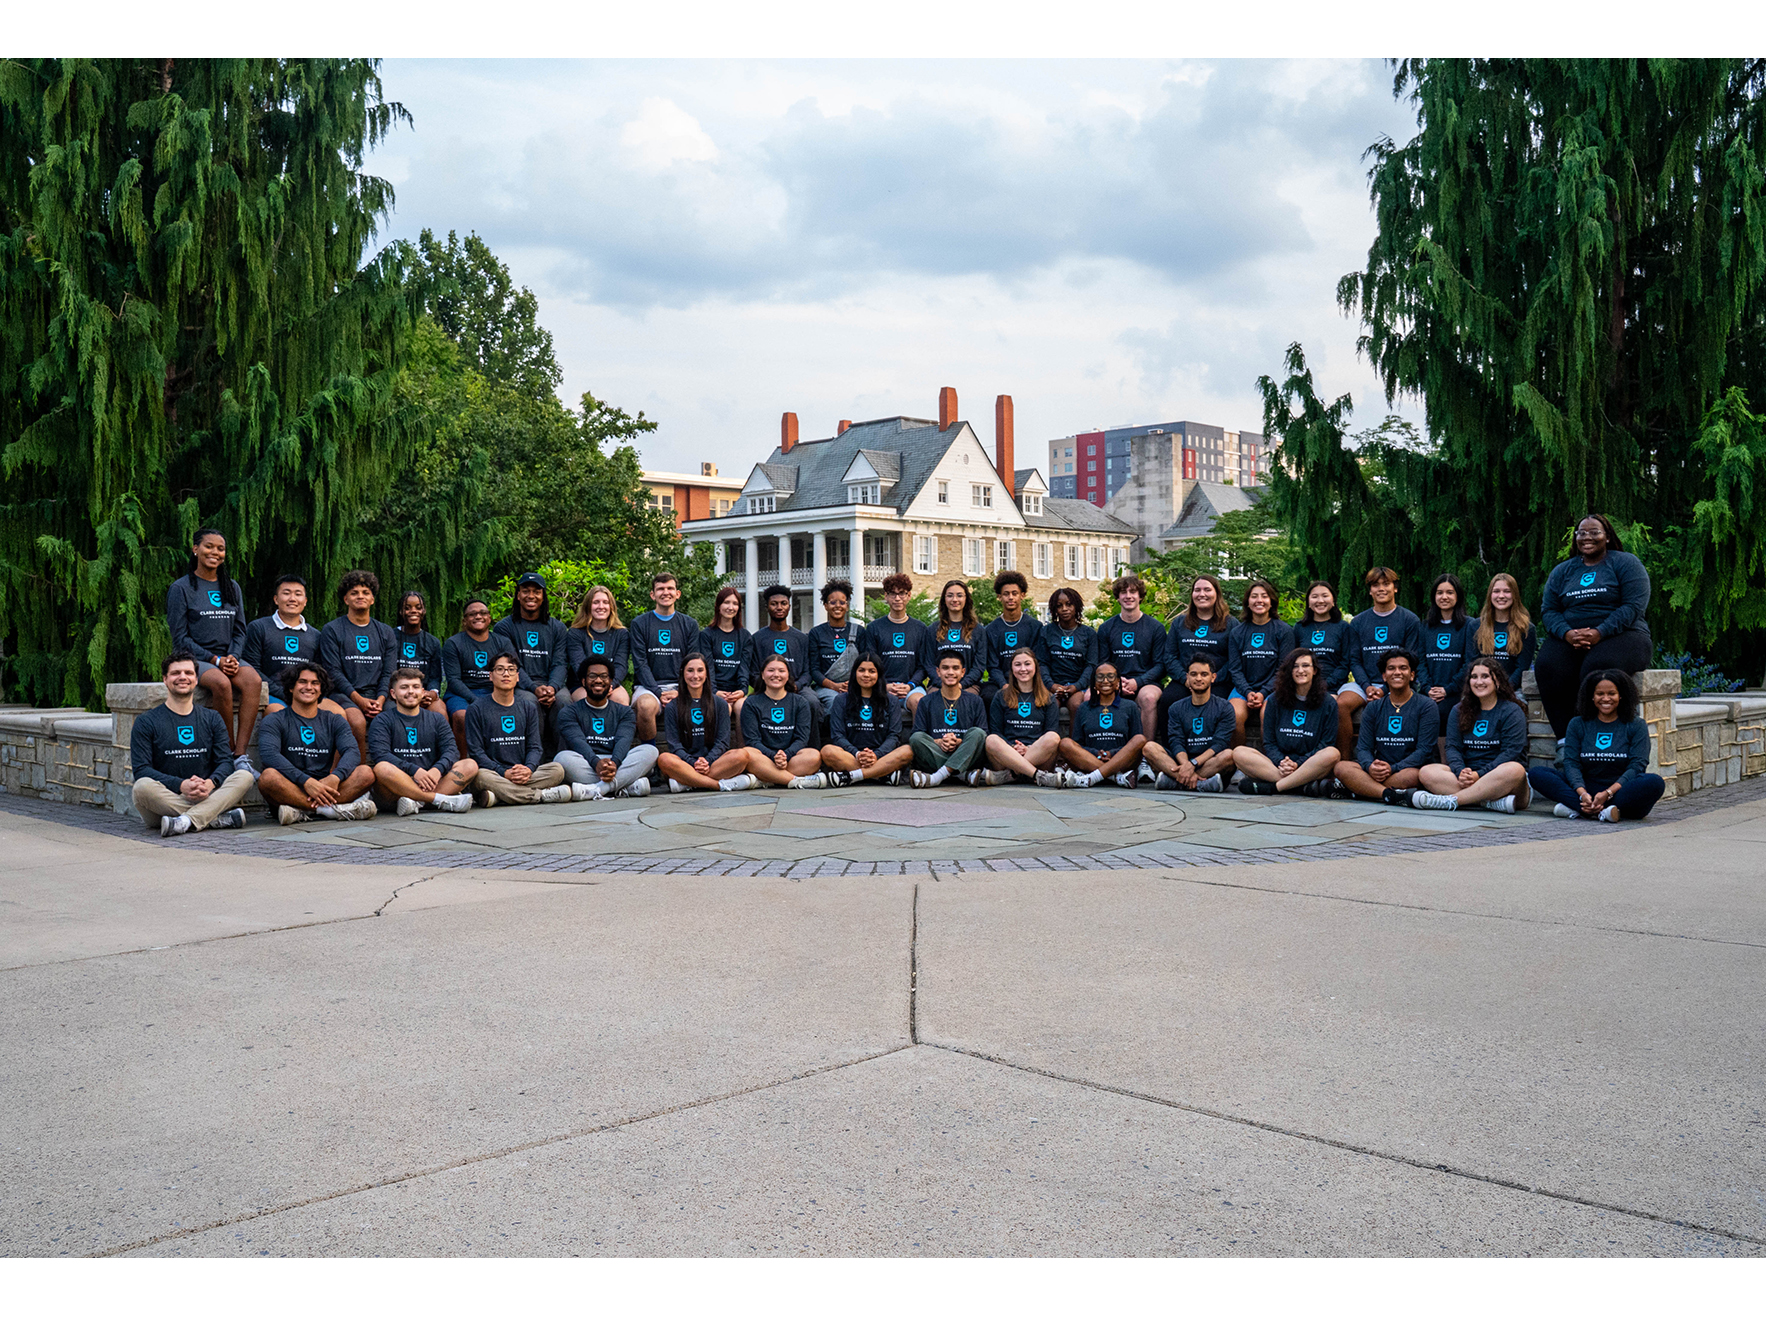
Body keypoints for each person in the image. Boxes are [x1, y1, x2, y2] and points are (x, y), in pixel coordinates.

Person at [1535, 514, 1654, 742]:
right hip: (1572, 637)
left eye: (1594, 532)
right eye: (1581, 533)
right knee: (1548, 665)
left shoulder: (1625, 563)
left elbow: (1633, 606)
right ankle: (1566, 741)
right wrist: (1567, 633)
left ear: (1607, 537)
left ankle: (1593, 738)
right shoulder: (1563, 571)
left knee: (1597, 668)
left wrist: (1601, 632)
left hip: (1624, 635)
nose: (1586, 537)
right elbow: (1549, 611)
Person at [130, 651, 256, 836]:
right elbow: (142, 770)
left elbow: (225, 762)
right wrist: (182, 785)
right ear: (165, 679)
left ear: (196, 679)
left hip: (207, 794)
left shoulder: (212, 718)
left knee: (245, 776)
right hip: (165, 803)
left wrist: (210, 784)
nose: (182, 677)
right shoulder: (146, 722)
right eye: (175, 673)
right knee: (141, 787)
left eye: (188, 673)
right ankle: (212, 818)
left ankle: (186, 821)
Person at [165, 527, 261, 762]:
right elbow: (180, 639)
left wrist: (233, 657)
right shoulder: (181, 588)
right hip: (194, 658)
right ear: (196, 549)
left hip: (227, 656)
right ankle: (225, 753)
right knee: (221, 683)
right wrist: (214, 660)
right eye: (209, 546)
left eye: (221, 548)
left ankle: (240, 754)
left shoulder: (232, 587)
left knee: (254, 681)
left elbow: (240, 630)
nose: (215, 552)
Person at [1527, 669, 1665, 822]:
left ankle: (1580, 809)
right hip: (1586, 788)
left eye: (1611, 694)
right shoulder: (1577, 724)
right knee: (1537, 773)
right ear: (1592, 696)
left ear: (1621, 695)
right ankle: (1596, 810)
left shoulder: (1636, 725)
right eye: (1600, 694)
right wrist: (1582, 794)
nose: (1606, 699)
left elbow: (1637, 766)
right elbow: (1571, 763)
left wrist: (1608, 793)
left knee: (1654, 782)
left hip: (1621, 790)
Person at [256, 661, 378, 824]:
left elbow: (352, 752)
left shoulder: (334, 720)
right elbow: (269, 755)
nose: (309, 687)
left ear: (321, 690)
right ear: (291, 687)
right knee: (268, 778)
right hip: (290, 787)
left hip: (327, 786)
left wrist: (335, 777)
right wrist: (305, 781)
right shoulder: (274, 720)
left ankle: (304, 811)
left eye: (315, 683)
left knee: (366, 773)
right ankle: (329, 810)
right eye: (302, 682)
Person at [1413, 657, 1531, 813]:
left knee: (1514, 769)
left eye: (1485, 676)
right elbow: (1453, 747)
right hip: (1467, 776)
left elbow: (1511, 753)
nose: (1479, 682)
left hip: (1501, 778)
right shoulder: (1458, 710)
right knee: (1427, 772)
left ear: (1498, 681)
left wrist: (1479, 774)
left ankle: (1451, 801)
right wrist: (1460, 771)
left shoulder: (1512, 711)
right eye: (1474, 677)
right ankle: (1486, 802)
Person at [1334, 649, 1440, 805]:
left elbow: (1424, 751)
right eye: (1391, 668)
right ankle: (1389, 794)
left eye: (1403, 668)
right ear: (1384, 676)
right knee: (1342, 767)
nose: (1397, 672)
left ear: (1412, 675)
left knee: (1414, 776)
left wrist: (1393, 768)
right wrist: (1370, 766)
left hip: (1407, 770)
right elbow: (1363, 748)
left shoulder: (1426, 706)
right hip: (1377, 770)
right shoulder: (1374, 707)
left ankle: (1360, 789)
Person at [464, 654, 573, 806]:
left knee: (557, 770)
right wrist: (503, 772)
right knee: (480, 776)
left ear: (517, 677)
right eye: (500, 669)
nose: (506, 674)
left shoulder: (528, 707)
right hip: (495, 773)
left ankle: (501, 796)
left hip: (523, 774)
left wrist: (528, 769)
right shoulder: (476, 709)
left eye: (511, 670)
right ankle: (540, 796)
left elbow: (535, 747)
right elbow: (476, 752)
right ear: (490, 676)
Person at [367, 666, 477, 815]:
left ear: (423, 692)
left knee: (470, 765)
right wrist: (415, 771)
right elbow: (381, 755)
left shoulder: (436, 718)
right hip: (398, 784)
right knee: (381, 768)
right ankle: (438, 800)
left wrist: (437, 770)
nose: (411, 691)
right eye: (404, 687)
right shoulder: (382, 720)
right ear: (393, 693)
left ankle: (419, 802)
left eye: (416, 687)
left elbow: (451, 750)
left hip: (431, 780)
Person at [1234, 648, 1343, 795]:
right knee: (1239, 753)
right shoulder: (1274, 700)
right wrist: (1281, 762)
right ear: (1289, 671)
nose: (1300, 670)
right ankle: (1300, 786)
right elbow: (1269, 742)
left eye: (1305, 665)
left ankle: (1274, 787)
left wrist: (1298, 764)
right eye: (1295, 666)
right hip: (1278, 765)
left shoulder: (1328, 703)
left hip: (1309, 764)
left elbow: (1326, 743)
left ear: (1315, 670)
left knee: (1332, 754)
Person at [319, 569, 398, 763]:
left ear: (372, 599)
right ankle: (360, 776)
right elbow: (333, 672)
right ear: (346, 599)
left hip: (378, 695)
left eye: (365, 593)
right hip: (343, 695)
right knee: (356, 721)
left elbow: (389, 671)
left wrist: (380, 699)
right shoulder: (332, 630)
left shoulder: (385, 632)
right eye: (354, 593)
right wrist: (358, 700)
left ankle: (393, 776)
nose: (360, 597)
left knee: (399, 717)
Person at [1341, 570, 1425, 750]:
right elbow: (1354, 660)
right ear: (1370, 590)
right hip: (1365, 684)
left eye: (1386, 584)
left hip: (1397, 681)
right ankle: (1344, 763)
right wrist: (1367, 687)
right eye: (1375, 585)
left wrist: (1385, 688)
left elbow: (1412, 659)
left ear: (1395, 588)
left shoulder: (1409, 619)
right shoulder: (1358, 622)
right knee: (1340, 705)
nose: (1381, 589)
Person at [555, 658, 658, 800]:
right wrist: (596, 763)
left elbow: (623, 741)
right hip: (587, 762)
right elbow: (577, 742)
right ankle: (624, 786)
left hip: (617, 762)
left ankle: (598, 789)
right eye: (592, 676)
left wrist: (614, 763)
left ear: (610, 682)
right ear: (583, 681)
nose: (598, 680)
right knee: (562, 758)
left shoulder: (624, 712)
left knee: (650, 750)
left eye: (604, 676)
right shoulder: (569, 712)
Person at [242, 574, 344, 719]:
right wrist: (284, 693)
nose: (292, 599)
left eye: (298, 594)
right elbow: (252, 668)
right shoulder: (259, 628)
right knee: (277, 715)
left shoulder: (315, 635)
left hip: (307, 692)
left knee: (338, 714)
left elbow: (320, 672)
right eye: (286, 593)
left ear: (305, 601)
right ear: (276, 599)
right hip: (273, 694)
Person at [655, 653, 750, 793]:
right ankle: (718, 785)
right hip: (685, 763)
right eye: (690, 670)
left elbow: (723, 742)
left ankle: (689, 782)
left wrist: (707, 761)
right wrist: (693, 762)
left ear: (706, 674)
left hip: (714, 763)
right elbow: (674, 745)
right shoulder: (672, 706)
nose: (695, 676)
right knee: (664, 759)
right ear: (683, 673)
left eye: (700, 670)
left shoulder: (720, 704)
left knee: (742, 756)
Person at [1043, 661, 1145, 789]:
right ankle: (1115, 777)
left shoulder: (1130, 707)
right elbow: (1077, 743)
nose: (1105, 681)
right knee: (1065, 743)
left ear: (1118, 681)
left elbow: (1135, 743)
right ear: (1094, 683)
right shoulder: (1084, 708)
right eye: (1100, 677)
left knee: (1140, 739)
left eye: (1110, 676)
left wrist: (1111, 754)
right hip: (1090, 760)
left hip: (1122, 762)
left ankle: (1093, 777)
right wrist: (1097, 753)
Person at [1158, 574, 1233, 744]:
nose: (1202, 594)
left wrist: (1213, 679)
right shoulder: (1180, 623)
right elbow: (1169, 655)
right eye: (1197, 590)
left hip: (1218, 682)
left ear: (1217, 594)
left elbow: (1234, 660)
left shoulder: (1230, 624)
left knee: (1216, 707)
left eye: (1207, 590)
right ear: (1192, 595)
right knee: (1167, 700)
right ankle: (1170, 752)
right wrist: (1186, 679)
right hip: (1184, 680)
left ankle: (1213, 756)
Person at [819, 652, 914, 787]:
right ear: (854, 673)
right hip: (851, 755)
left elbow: (894, 735)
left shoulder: (891, 700)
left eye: (872, 671)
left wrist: (876, 755)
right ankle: (881, 775)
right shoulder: (841, 700)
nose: (866, 675)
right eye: (861, 670)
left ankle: (853, 776)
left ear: (879, 674)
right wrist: (857, 754)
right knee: (827, 751)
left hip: (882, 756)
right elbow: (837, 735)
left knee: (907, 751)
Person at [1095, 574, 1168, 745]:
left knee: (1149, 698)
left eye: (1133, 592)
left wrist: (1138, 682)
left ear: (1141, 596)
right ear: (1117, 598)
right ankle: (1100, 751)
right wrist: (1115, 682)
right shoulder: (1106, 628)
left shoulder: (1155, 628)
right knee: (1089, 696)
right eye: (1123, 592)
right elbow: (1102, 663)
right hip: (1113, 680)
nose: (1128, 596)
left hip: (1146, 681)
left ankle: (1146, 754)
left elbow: (1160, 665)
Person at [1145, 657, 1236, 792]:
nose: (1198, 678)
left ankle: (1176, 781)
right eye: (1193, 674)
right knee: (1149, 747)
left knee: (1229, 755)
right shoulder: (1176, 708)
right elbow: (1176, 741)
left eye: (1204, 674)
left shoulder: (1225, 707)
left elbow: (1220, 744)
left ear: (1213, 677)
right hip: (1182, 762)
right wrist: (1186, 764)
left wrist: (1194, 763)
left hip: (1209, 762)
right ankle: (1199, 783)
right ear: (1187, 677)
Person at [630, 570, 700, 742]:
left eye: (670, 588)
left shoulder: (689, 624)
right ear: (653, 595)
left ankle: (691, 759)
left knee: (696, 709)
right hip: (649, 687)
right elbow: (640, 664)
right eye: (660, 589)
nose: (665, 592)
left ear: (678, 594)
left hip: (682, 686)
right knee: (645, 707)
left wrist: (680, 691)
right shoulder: (639, 624)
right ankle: (650, 757)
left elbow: (692, 664)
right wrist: (657, 692)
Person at [908, 650, 994, 787]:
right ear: (938, 672)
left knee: (978, 733)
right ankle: (960, 774)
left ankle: (938, 776)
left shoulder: (975, 701)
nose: (950, 672)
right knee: (916, 738)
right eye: (945, 668)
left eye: (955, 668)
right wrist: (940, 741)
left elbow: (983, 734)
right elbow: (918, 734)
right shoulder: (926, 701)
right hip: (938, 753)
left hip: (967, 754)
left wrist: (959, 742)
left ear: (963, 672)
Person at [443, 599, 519, 753]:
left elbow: (512, 670)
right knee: (462, 716)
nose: (478, 616)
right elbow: (454, 680)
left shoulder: (502, 642)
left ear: (489, 618)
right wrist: (475, 701)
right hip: (462, 693)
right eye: (472, 614)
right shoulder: (454, 643)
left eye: (483, 613)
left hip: (494, 691)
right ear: (464, 621)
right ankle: (463, 762)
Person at [1224, 578, 1294, 746]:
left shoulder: (1284, 631)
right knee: (1233, 715)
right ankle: (1240, 765)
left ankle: (1267, 764)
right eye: (1254, 596)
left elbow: (1283, 669)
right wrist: (1248, 692)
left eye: (1264, 596)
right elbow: (1235, 669)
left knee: (1267, 714)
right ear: (1248, 602)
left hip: (1274, 688)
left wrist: (1263, 692)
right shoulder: (1237, 632)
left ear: (1272, 602)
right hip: (1243, 689)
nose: (1259, 600)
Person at [494, 572, 568, 724]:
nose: (531, 596)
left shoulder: (558, 628)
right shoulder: (504, 627)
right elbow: (510, 665)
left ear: (543, 596)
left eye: (537, 592)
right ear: (518, 595)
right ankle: (533, 748)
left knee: (564, 702)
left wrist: (552, 688)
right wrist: (534, 688)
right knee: (529, 702)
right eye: (526, 591)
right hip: (519, 684)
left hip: (551, 683)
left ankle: (565, 749)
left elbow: (560, 663)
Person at [1291, 580, 1354, 756]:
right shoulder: (1299, 628)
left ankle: (1339, 759)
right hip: (1302, 683)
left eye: (1325, 596)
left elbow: (1346, 662)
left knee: (1329, 705)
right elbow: (1292, 660)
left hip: (1332, 684)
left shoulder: (1342, 628)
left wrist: (1327, 684)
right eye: (1315, 596)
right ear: (1308, 602)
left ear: (1333, 600)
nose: (1320, 600)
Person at [863, 573, 934, 721]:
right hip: (881, 686)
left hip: (911, 687)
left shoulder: (920, 628)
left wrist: (910, 685)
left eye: (901, 593)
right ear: (886, 596)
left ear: (908, 596)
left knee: (919, 702)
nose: (897, 598)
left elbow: (923, 665)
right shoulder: (874, 628)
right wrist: (885, 686)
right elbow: (870, 664)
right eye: (892, 594)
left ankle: (917, 742)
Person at [984, 647, 1062, 782]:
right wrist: (1012, 749)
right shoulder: (1001, 696)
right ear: (1012, 669)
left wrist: (1029, 749)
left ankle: (1011, 775)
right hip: (1006, 754)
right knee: (991, 739)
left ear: (1035, 667)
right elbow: (996, 730)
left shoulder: (1048, 698)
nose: (1023, 669)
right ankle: (1038, 776)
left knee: (1053, 737)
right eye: (1017, 664)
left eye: (1027, 664)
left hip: (1037, 755)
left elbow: (1051, 730)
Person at [741, 655, 820, 787]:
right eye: (771, 670)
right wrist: (773, 756)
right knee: (747, 753)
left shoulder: (800, 702)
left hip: (790, 758)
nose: (776, 675)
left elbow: (802, 739)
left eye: (781, 671)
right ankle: (796, 781)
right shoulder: (751, 702)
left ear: (788, 675)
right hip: (763, 757)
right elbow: (752, 740)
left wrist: (785, 755)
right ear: (762, 674)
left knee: (814, 756)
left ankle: (767, 778)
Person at [1419, 573, 1474, 746]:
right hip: (1429, 691)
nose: (1444, 597)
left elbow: (1470, 662)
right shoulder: (1425, 626)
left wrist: (1448, 689)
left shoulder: (1469, 625)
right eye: (1439, 592)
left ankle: (1445, 763)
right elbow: (1420, 661)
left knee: (1442, 712)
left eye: (1449, 592)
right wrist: (1428, 688)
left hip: (1457, 691)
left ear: (1458, 596)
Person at [979, 571, 1041, 711]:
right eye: (1006, 594)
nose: (1010, 597)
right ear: (999, 597)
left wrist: (1024, 683)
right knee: (988, 696)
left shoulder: (1034, 627)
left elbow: (1038, 660)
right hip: (1000, 682)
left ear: (1022, 595)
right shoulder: (991, 629)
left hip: (1028, 679)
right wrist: (1004, 685)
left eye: (1015, 593)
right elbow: (992, 665)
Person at [807, 579, 866, 723]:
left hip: (855, 685)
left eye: (842, 602)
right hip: (826, 687)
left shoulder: (859, 631)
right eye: (833, 602)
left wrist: (852, 684)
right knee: (836, 700)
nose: (837, 606)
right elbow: (814, 670)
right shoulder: (816, 633)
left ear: (847, 605)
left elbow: (865, 664)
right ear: (826, 606)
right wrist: (834, 686)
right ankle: (833, 740)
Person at [1034, 586, 1097, 717]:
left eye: (1069, 604)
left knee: (1076, 705)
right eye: (1059, 606)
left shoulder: (1088, 633)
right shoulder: (1046, 631)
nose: (1064, 609)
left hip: (1078, 685)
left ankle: (1074, 738)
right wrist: (1051, 685)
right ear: (1054, 609)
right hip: (1053, 685)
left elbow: (1091, 665)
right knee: (1051, 704)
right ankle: (1050, 737)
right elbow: (1042, 663)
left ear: (1077, 606)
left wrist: (1077, 686)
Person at [565, 584, 632, 705]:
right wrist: (595, 686)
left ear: (611, 607)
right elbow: (578, 665)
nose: (601, 606)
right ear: (588, 606)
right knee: (590, 702)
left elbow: (621, 665)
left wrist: (610, 685)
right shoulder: (576, 633)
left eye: (605, 602)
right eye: (596, 602)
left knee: (621, 700)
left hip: (611, 685)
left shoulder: (621, 634)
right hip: (582, 685)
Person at [701, 585, 753, 739]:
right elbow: (707, 667)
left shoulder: (745, 636)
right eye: (726, 602)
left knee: (743, 707)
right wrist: (715, 691)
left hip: (736, 691)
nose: (731, 607)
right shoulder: (707, 635)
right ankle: (719, 753)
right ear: (718, 606)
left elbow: (744, 668)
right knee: (723, 708)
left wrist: (742, 691)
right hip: (713, 690)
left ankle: (744, 753)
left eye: (735, 603)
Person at [1474, 572, 1537, 692]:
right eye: (1496, 591)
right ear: (1490, 595)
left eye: (1507, 591)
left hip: (1512, 690)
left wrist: (1504, 689)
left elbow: (1522, 668)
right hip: (1480, 687)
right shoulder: (1476, 626)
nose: (1501, 596)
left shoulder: (1526, 628)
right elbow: (1472, 663)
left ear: (1515, 595)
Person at [750, 584, 811, 695]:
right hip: (766, 689)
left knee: (812, 701)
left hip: (797, 689)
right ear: (767, 607)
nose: (779, 607)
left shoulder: (802, 639)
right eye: (774, 604)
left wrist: (797, 685)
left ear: (789, 607)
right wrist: (769, 686)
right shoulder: (756, 639)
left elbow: (808, 672)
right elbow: (753, 673)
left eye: (783, 603)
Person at [392, 590, 446, 715]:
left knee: (439, 712)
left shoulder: (433, 642)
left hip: (424, 694)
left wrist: (431, 693)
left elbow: (435, 677)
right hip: (396, 693)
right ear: (401, 612)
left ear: (424, 611)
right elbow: (387, 672)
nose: (413, 611)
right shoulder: (390, 637)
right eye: (407, 608)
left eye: (418, 607)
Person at [929, 580, 986, 697]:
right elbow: (928, 663)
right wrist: (943, 683)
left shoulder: (978, 630)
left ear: (966, 599)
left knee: (966, 701)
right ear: (944, 599)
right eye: (950, 595)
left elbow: (979, 665)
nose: (955, 599)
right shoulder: (933, 629)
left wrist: (961, 684)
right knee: (935, 701)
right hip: (938, 685)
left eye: (959, 595)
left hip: (969, 685)